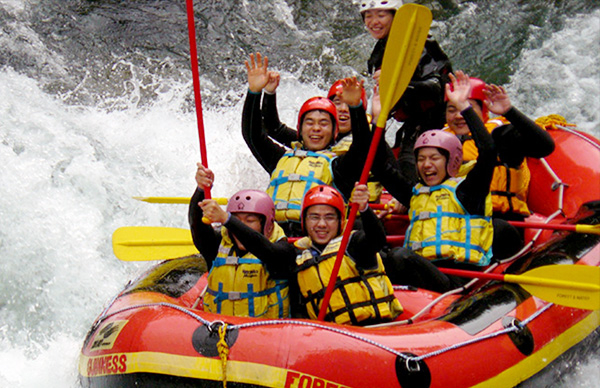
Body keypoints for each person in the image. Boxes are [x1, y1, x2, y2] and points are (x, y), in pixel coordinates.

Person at [198, 180, 403, 326]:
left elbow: (377, 239)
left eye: (329, 218)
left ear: (341, 221)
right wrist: (201, 190)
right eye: (314, 217)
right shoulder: (297, 254)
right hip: (328, 335)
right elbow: (198, 230)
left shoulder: (355, 244)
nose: (321, 224)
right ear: (304, 222)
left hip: (373, 330)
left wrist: (365, 209)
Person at [373, 71, 497, 293]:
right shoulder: (416, 194)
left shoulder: (468, 191)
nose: (426, 165)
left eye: (434, 158)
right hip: (423, 274)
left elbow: (487, 152)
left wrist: (463, 107)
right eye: (421, 159)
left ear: (452, 160)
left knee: (400, 256)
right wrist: (377, 121)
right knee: (372, 253)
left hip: (456, 281)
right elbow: (381, 167)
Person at [241, 53, 371, 236]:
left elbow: (362, 146)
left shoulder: (339, 166)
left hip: (313, 241)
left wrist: (356, 107)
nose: (316, 128)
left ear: (334, 132)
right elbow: (252, 135)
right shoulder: (281, 159)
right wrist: (254, 92)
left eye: (324, 123)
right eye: (309, 123)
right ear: (300, 130)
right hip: (274, 240)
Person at [444, 77, 555, 259]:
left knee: (494, 228)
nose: (458, 115)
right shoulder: (435, 144)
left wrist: (509, 111)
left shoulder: (501, 137)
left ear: (484, 112)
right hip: (453, 227)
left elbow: (545, 146)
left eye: (466, 108)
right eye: (451, 109)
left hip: (502, 226)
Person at [188, 163, 289, 319]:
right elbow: (197, 226)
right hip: (221, 335)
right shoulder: (217, 246)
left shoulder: (282, 251)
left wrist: (227, 220)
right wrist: (201, 190)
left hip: (264, 336)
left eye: (250, 220)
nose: (240, 227)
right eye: (237, 220)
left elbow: (263, 249)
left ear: (267, 225)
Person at [360, 0, 453, 150]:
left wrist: (393, 80)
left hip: (437, 120)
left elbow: (436, 88)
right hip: (412, 121)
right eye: (368, 16)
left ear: (395, 16)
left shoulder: (418, 44)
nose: (373, 22)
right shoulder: (380, 51)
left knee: (405, 162)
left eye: (381, 15)